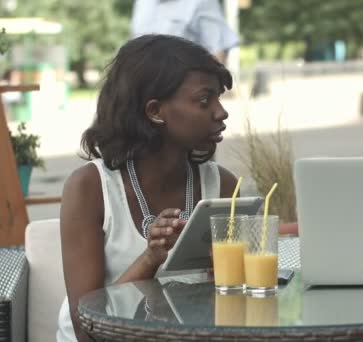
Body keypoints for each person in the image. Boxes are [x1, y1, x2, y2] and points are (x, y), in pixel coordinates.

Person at [56, 34, 238, 341]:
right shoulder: (90, 188)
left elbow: (240, 313)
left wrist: (223, 275)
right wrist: (151, 259)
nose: (221, 112)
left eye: (219, 98)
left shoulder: (224, 186)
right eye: (204, 100)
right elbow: (88, 330)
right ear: (155, 111)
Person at [130, 0, 239, 65]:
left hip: (182, 92)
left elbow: (218, 51)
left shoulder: (201, 2)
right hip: (141, 90)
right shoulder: (143, 2)